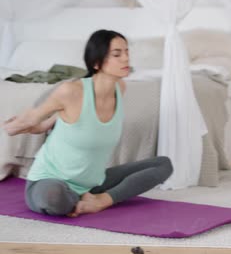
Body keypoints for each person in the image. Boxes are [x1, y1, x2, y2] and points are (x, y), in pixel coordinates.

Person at [2, 30, 173, 217]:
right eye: (117, 54)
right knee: (54, 197)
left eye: (127, 52)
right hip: (51, 181)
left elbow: (73, 117)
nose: (125, 59)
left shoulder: (120, 88)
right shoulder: (70, 91)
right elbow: (26, 121)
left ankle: (101, 201)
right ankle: (81, 200)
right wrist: (22, 124)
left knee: (163, 165)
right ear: (96, 62)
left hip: (93, 182)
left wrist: (47, 124)